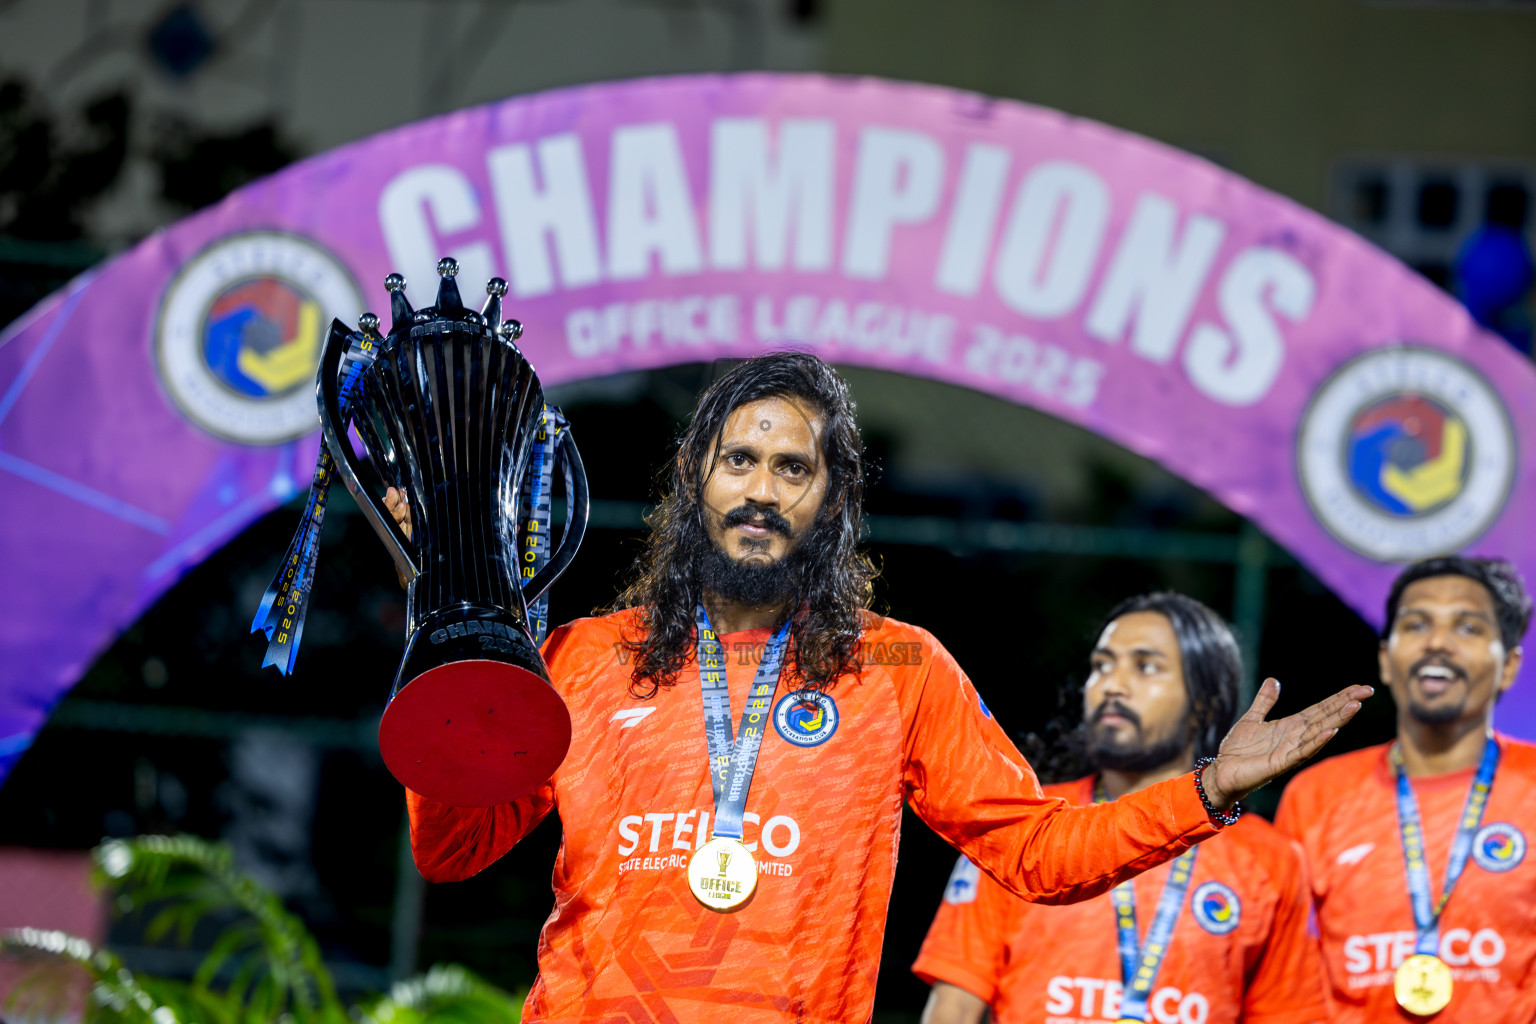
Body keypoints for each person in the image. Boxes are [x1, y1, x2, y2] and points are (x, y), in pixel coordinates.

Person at [385, 350, 1370, 1023]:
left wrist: (1206, 792)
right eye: (739, 461)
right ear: (694, 477)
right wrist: (441, 648)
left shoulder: (898, 669)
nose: (762, 491)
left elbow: (1035, 852)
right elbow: (454, 847)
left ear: (833, 502)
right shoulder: (583, 656)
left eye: (793, 468)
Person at [914, 592, 1326, 1024]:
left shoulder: (1272, 860)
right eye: (1101, 666)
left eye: (1146, 666)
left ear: (1203, 701)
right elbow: (953, 1008)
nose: (1112, 684)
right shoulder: (1021, 826)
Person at [1275, 557, 1533, 1022]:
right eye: (1416, 625)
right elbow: (1284, 978)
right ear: (1385, 659)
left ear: (1510, 665)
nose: (1437, 642)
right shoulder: (1315, 796)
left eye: (1468, 628)